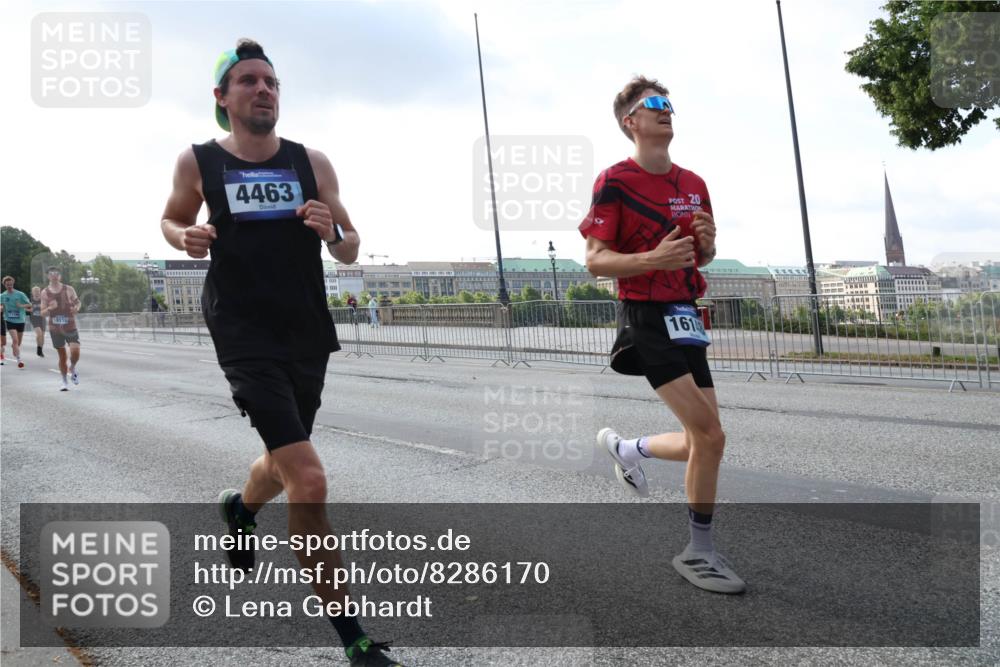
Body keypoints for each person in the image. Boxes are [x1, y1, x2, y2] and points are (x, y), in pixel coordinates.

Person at [159, 39, 403, 666]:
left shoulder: (310, 162)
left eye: (271, 82)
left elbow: (351, 246)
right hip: (242, 333)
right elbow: (171, 218)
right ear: (223, 98)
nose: (263, 90)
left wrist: (334, 232)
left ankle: (240, 507)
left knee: (281, 459)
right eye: (248, 82)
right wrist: (185, 235)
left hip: (305, 331)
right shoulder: (198, 161)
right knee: (310, 477)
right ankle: (355, 639)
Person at [580, 76, 744, 594]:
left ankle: (631, 450)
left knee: (708, 439)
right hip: (646, 317)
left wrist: (708, 245)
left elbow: (703, 255)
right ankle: (698, 552)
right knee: (712, 436)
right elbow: (595, 262)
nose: (666, 111)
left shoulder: (693, 182)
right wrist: (651, 259)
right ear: (631, 121)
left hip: (686, 313)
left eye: (669, 104)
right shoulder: (615, 180)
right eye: (655, 105)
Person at [40, 268, 82, 391]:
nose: (54, 275)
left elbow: (78, 302)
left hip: (70, 325)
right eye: (51, 273)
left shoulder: (69, 289)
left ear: (60, 276)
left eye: (56, 273)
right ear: (48, 276)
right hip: (55, 328)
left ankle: (72, 367)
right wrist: (49, 308)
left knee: (75, 351)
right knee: (62, 356)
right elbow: (42, 313)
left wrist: (77, 308)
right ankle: (64, 381)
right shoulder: (45, 292)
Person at [2, 277, 32, 369]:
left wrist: (21, 305)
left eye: (11, 284)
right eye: (7, 284)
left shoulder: (20, 294)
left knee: (18, 343)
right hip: (10, 320)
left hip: (20, 320)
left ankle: (14, 347)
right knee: (15, 340)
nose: (9, 286)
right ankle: (19, 360)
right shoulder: (2, 296)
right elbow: (1, 305)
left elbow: (30, 305)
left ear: (13, 283)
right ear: (5, 285)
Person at [30, 286, 46, 357]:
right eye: (35, 291)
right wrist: (30, 310)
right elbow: (25, 309)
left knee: (42, 336)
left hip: (42, 319)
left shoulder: (43, 300)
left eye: (38, 291)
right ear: (32, 292)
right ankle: (38, 348)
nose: (37, 293)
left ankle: (40, 349)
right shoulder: (30, 300)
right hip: (34, 318)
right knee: (39, 333)